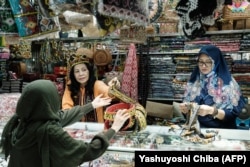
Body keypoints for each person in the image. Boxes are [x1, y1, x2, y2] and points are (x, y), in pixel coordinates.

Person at [0, 79, 130, 167]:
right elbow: (88, 151)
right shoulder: (49, 131)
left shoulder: (19, 122)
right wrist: (114, 128)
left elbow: (60, 117)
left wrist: (91, 105)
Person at [179, 45, 246, 129]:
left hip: (222, 132)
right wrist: (185, 110)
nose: (203, 66)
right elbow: (187, 112)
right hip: (196, 130)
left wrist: (212, 111)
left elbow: (232, 115)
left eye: (208, 62)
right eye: (201, 61)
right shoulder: (194, 82)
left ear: (216, 62)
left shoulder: (228, 84)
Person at [62, 52, 120, 123]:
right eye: (77, 71)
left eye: (84, 70)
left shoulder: (97, 85)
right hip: (76, 130)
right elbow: (66, 108)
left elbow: (108, 93)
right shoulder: (70, 86)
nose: (81, 74)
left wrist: (113, 87)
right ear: (73, 74)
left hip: (96, 129)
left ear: (89, 71)